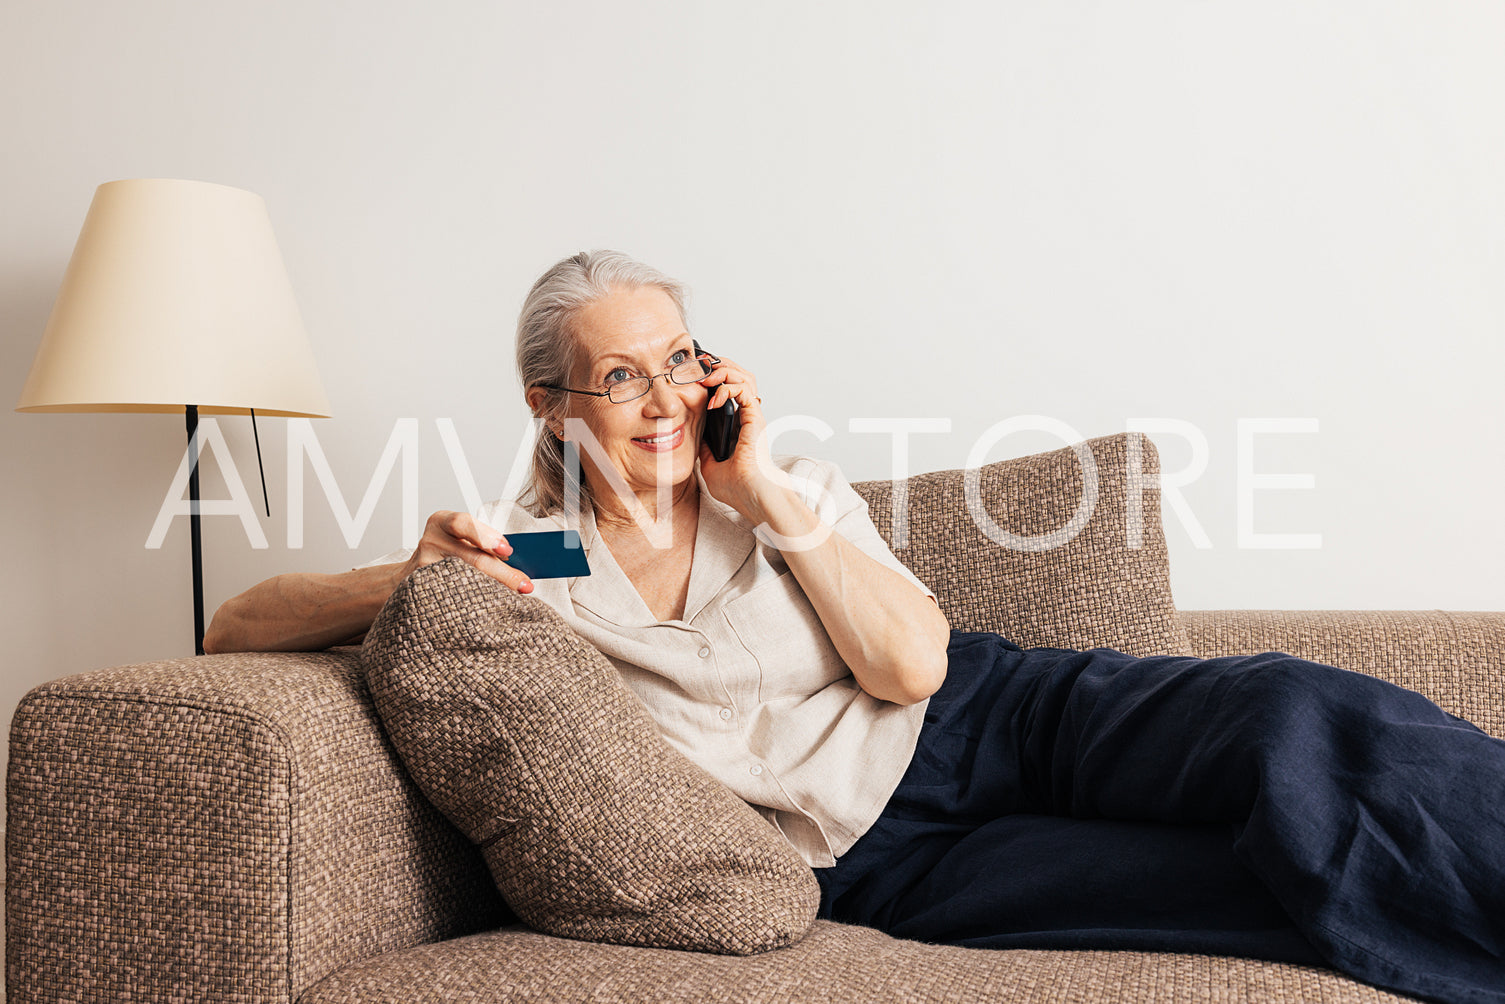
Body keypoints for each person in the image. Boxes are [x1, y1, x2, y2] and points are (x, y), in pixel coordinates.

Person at [206, 250, 1505, 1004]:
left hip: (995, 716)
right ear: (551, 406)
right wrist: (404, 576)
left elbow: (907, 663)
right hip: (876, 860)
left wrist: (760, 490)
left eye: (678, 357)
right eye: (619, 376)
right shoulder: (534, 556)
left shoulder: (775, 492)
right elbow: (236, 625)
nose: (662, 397)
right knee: (1236, 889)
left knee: (1291, 719)